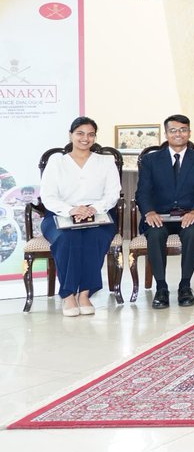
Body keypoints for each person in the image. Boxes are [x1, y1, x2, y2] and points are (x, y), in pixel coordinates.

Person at [38, 117, 121, 317]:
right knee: (67, 238)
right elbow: (48, 196)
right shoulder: (57, 162)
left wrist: (93, 208)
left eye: (91, 134)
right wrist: (71, 210)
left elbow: (112, 194)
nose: (85, 138)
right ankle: (68, 295)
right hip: (60, 214)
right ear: (71, 135)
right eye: (80, 133)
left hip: (98, 214)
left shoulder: (105, 161)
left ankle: (84, 293)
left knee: (95, 238)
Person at [134, 114, 194, 309]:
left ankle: (185, 286)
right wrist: (149, 212)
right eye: (173, 130)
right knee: (154, 234)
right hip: (159, 215)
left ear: (189, 132)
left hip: (189, 215)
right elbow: (142, 192)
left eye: (183, 130)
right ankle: (161, 287)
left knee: (193, 232)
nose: (178, 134)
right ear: (166, 133)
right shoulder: (150, 160)